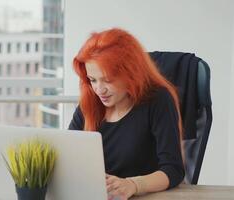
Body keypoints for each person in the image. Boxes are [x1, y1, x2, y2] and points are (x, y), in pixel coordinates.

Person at [68, 28, 184, 200]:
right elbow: (68, 154)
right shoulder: (90, 101)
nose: (99, 89)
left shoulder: (158, 100)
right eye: (93, 80)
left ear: (130, 73)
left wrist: (133, 185)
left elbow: (173, 170)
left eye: (107, 80)